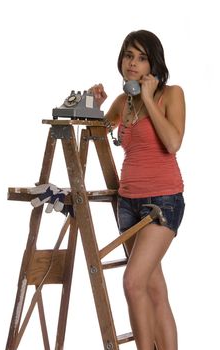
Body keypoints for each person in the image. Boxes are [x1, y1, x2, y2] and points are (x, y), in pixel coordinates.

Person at [90, 29, 185, 350]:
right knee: (153, 290)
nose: (133, 63)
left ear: (153, 64)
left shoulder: (171, 95)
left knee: (132, 282)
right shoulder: (122, 102)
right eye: (129, 55)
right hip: (127, 203)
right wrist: (96, 107)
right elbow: (98, 133)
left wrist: (147, 96)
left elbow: (173, 143)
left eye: (142, 58)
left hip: (162, 202)